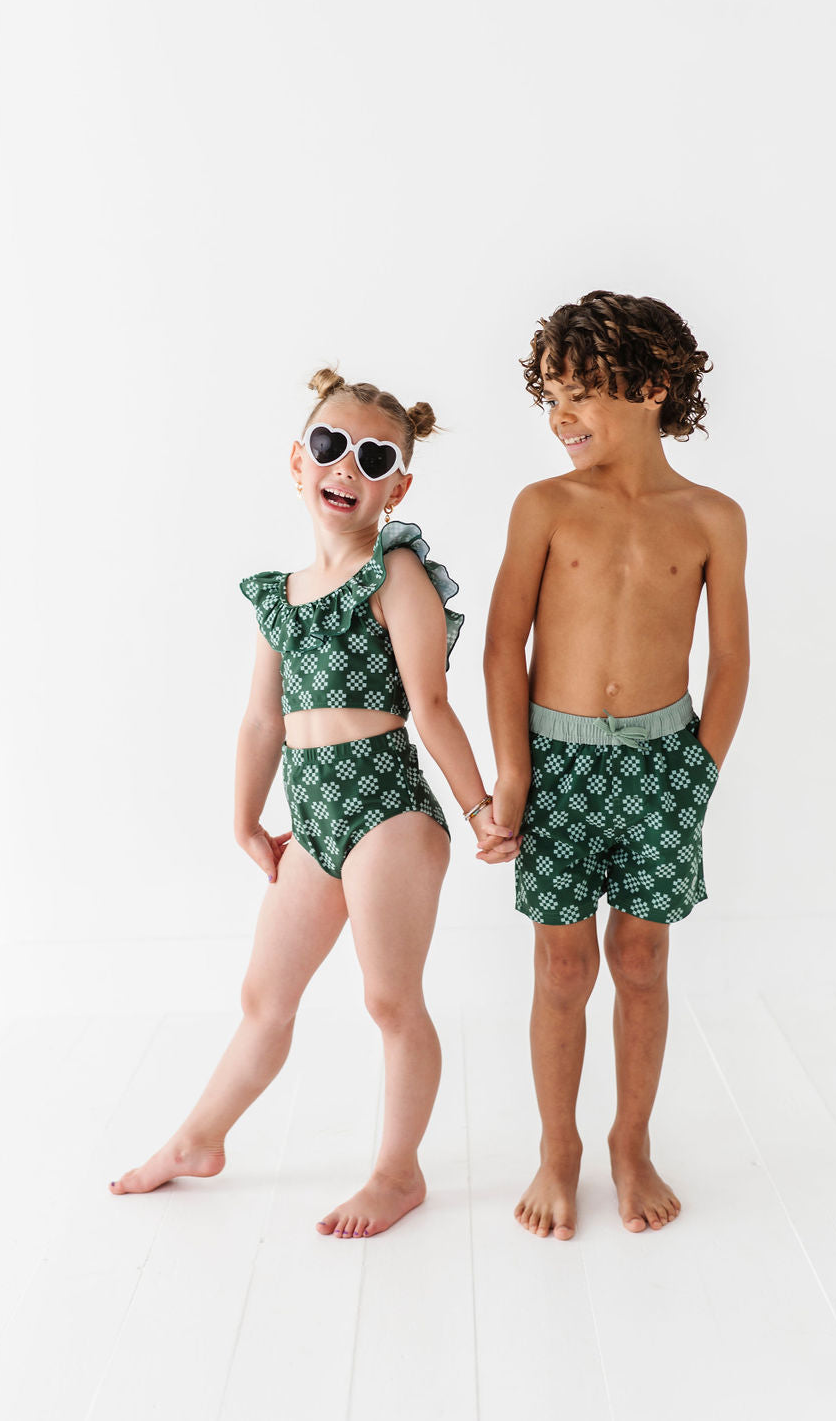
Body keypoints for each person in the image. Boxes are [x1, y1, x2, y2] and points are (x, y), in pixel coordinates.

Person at [111, 368, 515, 1237]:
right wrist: (244, 817)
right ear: (298, 461)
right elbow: (264, 719)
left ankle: (398, 1172)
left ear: (399, 486)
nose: (347, 468)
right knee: (264, 995)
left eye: (375, 458)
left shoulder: (395, 575)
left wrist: (480, 806)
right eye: (331, 446)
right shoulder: (280, 596)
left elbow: (431, 702)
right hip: (315, 819)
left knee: (390, 1000)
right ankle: (198, 1138)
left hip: (388, 812)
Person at [484, 291, 749, 1241]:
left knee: (642, 957)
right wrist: (513, 773)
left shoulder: (712, 516)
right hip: (555, 764)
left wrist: (698, 772)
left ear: (652, 385)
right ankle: (557, 1150)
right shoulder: (544, 505)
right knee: (562, 965)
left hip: (663, 764)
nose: (561, 416)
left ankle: (629, 1142)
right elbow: (503, 643)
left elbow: (730, 659)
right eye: (551, 396)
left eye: (581, 393)